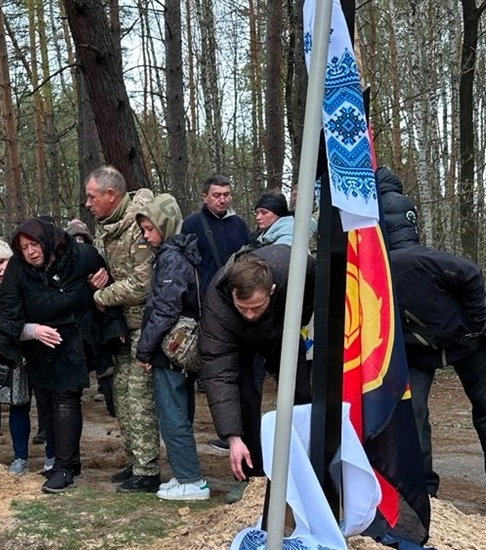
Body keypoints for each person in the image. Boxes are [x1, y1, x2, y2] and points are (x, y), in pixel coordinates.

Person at [380, 169, 486, 520]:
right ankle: (427, 488)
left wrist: (474, 323)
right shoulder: (377, 265)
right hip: (418, 349)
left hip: (465, 343)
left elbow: (470, 272)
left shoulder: (412, 258)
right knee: (417, 413)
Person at [0, 217, 108, 493]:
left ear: (47, 241)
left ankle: (65, 467)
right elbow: (9, 314)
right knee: (47, 402)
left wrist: (98, 289)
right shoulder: (17, 272)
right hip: (40, 345)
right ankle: (62, 462)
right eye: (23, 247)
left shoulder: (79, 255)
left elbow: (105, 280)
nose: (30, 251)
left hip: (74, 335)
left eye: (34, 244)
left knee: (65, 399)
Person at [199, 247, 316, 485]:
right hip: (237, 341)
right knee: (246, 399)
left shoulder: (291, 265)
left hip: (282, 329)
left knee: (302, 393)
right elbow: (219, 374)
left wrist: (297, 320)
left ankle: (305, 465)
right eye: (243, 308)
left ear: (271, 290)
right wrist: (232, 437)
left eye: (256, 307)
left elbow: (316, 285)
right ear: (232, 293)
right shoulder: (216, 303)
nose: (250, 314)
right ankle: (251, 476)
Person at [85, 165, 162, 493]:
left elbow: (143, 283)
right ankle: (135, 460)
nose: (87, 204)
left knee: (139, 399)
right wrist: (96, 278)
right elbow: (108, 270)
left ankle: (148, 470)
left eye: (91, 197)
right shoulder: (105, 227)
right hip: (118, 327)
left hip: (142, 327)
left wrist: (101, 295)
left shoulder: (138, 228)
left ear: (110, 195)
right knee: (121, 398)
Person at [135, 194, 207, 501]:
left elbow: (165, 309)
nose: (146, 235)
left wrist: (144, 349)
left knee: (172, 413)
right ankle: (182, 473)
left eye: (150, 229)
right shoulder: (180, 254)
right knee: (179, 410)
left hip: (172, 348)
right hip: (180, 348)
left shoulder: (171, 258)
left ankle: (192, 479)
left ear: (164, 225)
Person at [0, 238, 55, 476]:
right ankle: (20, 457)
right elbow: (6, 326)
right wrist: (36, 330)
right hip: (15, 354)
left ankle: (53, 456)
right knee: (18, 404)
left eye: (0, 262)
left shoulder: (36, 278)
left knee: (48, 406)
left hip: (46, 351)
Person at [183, 175, 251, 294]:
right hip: (204, 296)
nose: (223, 200)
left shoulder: (239, 224)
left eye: (226, 195)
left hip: (236, 293)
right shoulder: (192, 224)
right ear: (205, 198)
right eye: (216, 195)